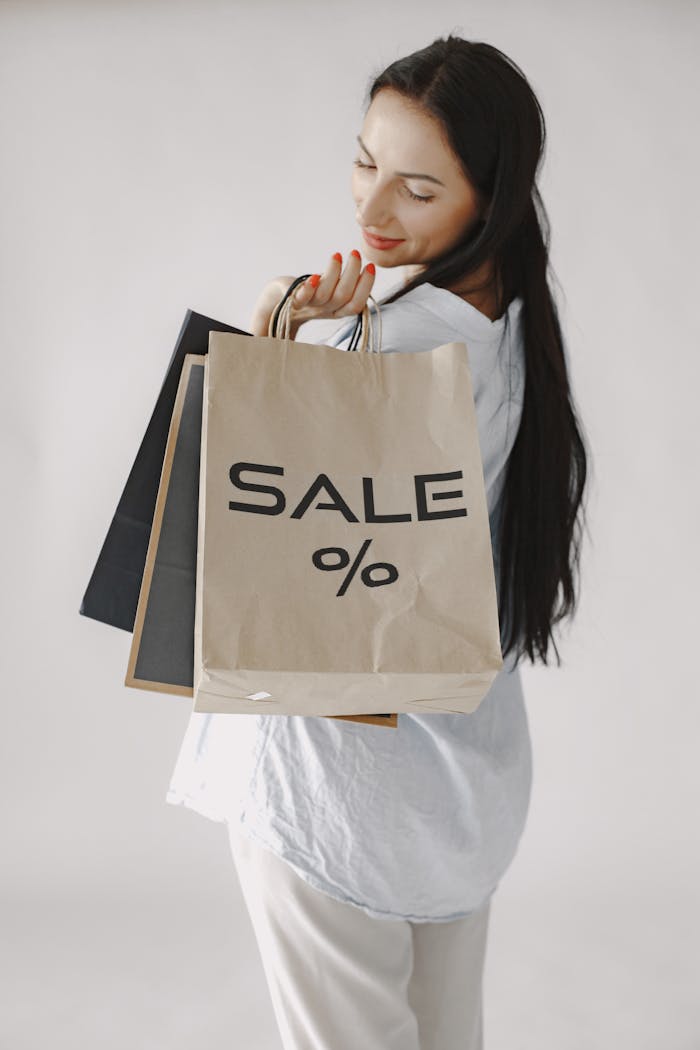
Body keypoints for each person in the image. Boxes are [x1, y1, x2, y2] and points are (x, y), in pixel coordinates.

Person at [166, 34, 589, 1050]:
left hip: (334, 783)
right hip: (461, 783)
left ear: (489, 197)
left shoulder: (401, 342)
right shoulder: (511, 321)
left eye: (417, 188)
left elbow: (243, 515)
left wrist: (276, 331)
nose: (372, 208)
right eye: (365, 162)